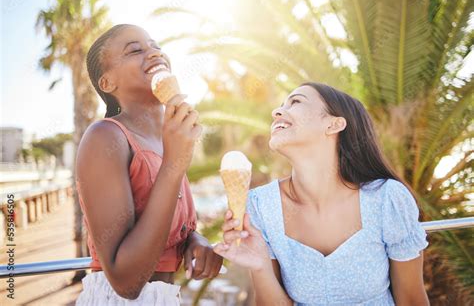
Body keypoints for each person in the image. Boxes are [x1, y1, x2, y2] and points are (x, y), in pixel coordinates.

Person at [214, 83, 430, 305]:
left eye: (295, 102)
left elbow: (412, 300)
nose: (276, 112)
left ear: (334, 124)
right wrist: (260, 265)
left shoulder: (386, 199)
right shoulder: (260, 205)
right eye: (280, 105)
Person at [75, 24, 223, 305]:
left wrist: (194, 241)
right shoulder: (106, 137)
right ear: (107, 83)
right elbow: (126, 282)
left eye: (156, 46)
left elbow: (164, 224)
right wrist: (174, 164)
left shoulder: (167, 143)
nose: (154, 53)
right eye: (135, 50)